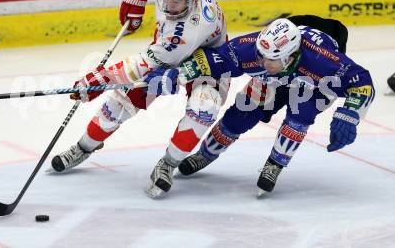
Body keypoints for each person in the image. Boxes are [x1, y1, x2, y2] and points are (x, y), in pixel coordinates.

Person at [50, 0, 229, 198]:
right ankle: (83, 147)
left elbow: (141, 65)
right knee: (121, 102)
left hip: (211, 58)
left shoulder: (190, 29)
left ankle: (167, 164)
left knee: (204, 108)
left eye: (175, 1)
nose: (167, 5)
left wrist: (100, 79)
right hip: (167, 47)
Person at [145, 16, 374, 196]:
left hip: (312, 81)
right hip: (276, 78)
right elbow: (217, 59)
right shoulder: (253, 49)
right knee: (241, 113)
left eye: (270, 59)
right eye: (261, 56)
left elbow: (362, 82)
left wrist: (349, 115)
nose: (263, 62)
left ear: (290, 55)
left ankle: (274, 165)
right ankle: (206, 154)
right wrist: (178, 73)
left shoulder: (324, 62)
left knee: (300, 114)